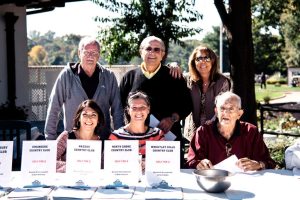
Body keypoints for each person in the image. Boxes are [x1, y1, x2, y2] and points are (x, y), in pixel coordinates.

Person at [119, 36, 192, 166]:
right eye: (148, 48)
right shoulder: (129, 77)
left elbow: (187, 104)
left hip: (168, 139)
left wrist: (173, 119)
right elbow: (121, 106)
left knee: (171, 179)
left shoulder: (174, 76)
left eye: (157, 49)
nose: (152, 52)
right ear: (141, 51)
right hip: (136, 140)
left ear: (163, 54)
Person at [44, 36, 123, 140]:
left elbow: (117, 110)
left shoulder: (109, 76)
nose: (90, 56)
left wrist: (120, 140)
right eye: (86, 52)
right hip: (73, 142)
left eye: (94, 53)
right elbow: (54, 107)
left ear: (99, 55)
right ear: (79, 53)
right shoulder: (66, 76)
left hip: (102, 141)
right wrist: (50, 140)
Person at [186, 91, 276, 171]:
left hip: (245, 184)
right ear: (216, 112)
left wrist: (258, 164)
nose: (226, 113)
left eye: (231, 109)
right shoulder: (203, 132)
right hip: (213, 182)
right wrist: (198, 164)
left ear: (239, 114)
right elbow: (191, 161)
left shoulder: (251, 131)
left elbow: (269, 162)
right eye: (222, 108)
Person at [181, 45, 231, 141]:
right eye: (198, 58)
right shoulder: (188, 80)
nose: (202, 61)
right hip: (193, 132)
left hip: (216, 131)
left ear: (213, 61)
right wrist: (173, 65)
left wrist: (209, 125)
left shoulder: (222, 82)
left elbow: (222, 107)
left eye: (206, 58)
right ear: (193, 62)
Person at [109, 91, 165, 156]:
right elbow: (110, 164)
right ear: (128, 110)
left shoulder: (158, 135)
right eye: (134, 108)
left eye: (142, 107)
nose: (138, 111)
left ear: (148, 109)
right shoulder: (116, 137)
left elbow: (162, 163)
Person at [56, 100, 105, 172]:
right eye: (85, 114)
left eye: (93, 115)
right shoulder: (66, 137)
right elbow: (49, 162)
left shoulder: (102, 144)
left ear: (98, 120)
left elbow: (106, 168)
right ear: (79, 118)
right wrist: (74, 166)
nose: (89, 118)